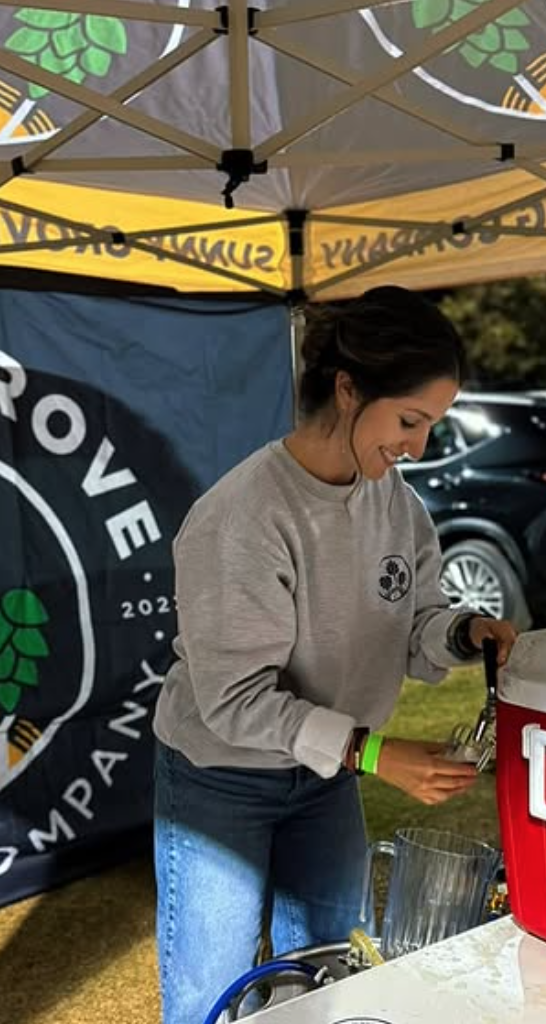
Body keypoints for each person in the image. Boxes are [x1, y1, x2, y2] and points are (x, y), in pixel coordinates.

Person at [153, 285, 517, 1024]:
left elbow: (414, 621)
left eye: (430, 426)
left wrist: (461, 631)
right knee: (210, 995)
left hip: (324, 780)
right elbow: (234, 701)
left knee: (332, 975)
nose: (417, 447)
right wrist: (374, 753)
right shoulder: (244, 518)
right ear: (348, 389)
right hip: (221, 779)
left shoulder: (398, 507)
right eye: (409, 420)